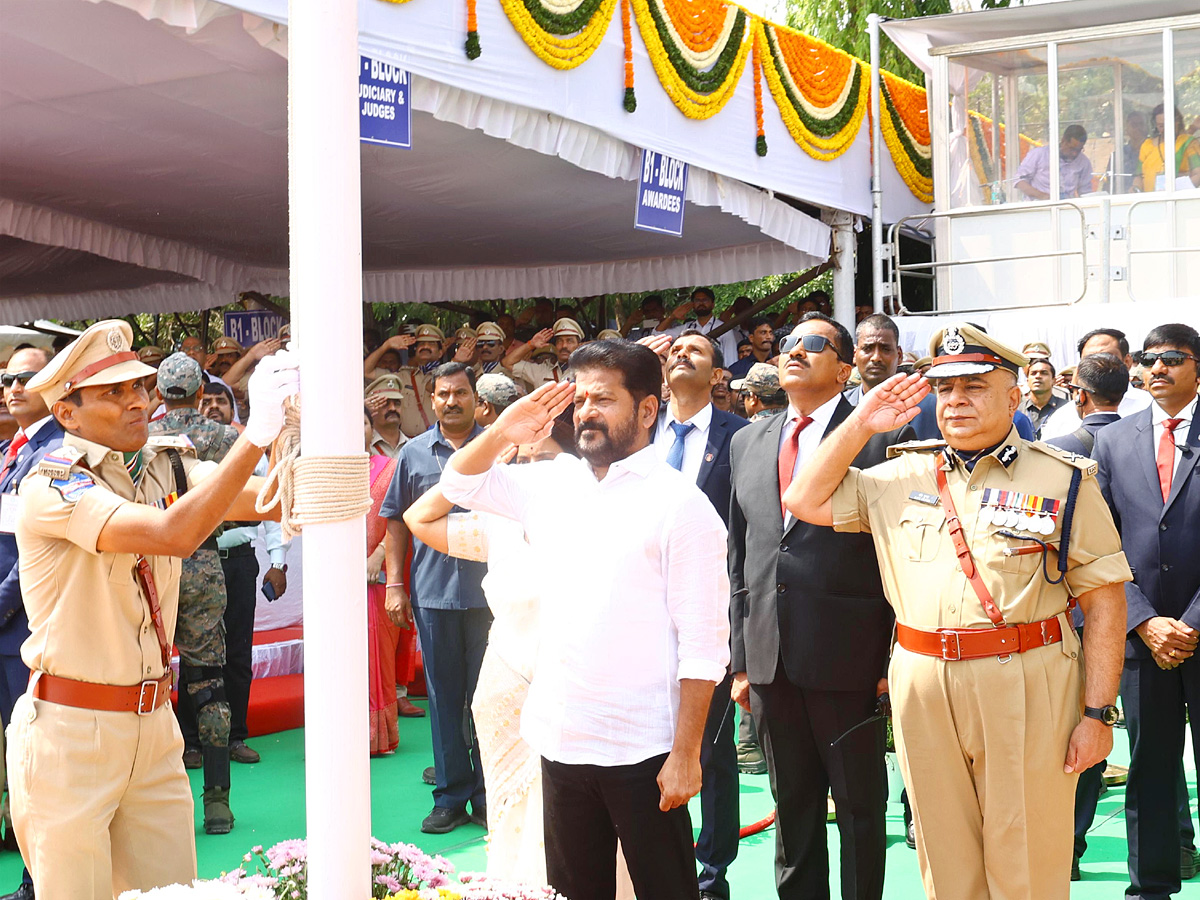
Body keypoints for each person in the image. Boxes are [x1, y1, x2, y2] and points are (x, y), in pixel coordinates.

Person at [786, 322, 1131, 899]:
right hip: (923, 685)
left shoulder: (1064, 478)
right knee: (943, 859)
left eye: (974, 386)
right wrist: (863, 422)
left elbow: (1104, 600)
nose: (957, 401)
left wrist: (1098, 714)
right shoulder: (897, 474)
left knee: (1026, 858)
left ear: (1014, 397)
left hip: (1026, 678)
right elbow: (802, 499)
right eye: (945, 390)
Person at [9, 320, 294, 900]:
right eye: (113, 392)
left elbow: (265, 498)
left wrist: (300, 432)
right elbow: (172, 532)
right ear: (67, 413)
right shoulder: (52, 482)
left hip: (155, 725)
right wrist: (256, 433)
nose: (137, 400)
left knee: (170, 893)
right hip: (72, 730)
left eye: (138, 386)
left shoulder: (168, 462)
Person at [440, 342, 730, 900]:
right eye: (580, 398)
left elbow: (703, 645)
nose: (586, 412)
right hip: (561, 740)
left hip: (644, 750)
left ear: (648, 411)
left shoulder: (681, 506)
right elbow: (460, 484)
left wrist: (686, 755)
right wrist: (504, 431)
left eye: (604, 399)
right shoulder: (554, 483)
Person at [728, 313, 908, 900]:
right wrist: (740, 656)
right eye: (787, 344)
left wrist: (891, 656)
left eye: (813, 344)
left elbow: (897, 551)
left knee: (859, 808)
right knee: (793, 807)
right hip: (770, 657)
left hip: (850, 655)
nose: (794, 352)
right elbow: (743, 553)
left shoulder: (882, 439)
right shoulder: (747, 438)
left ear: (846, 366)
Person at [1093, 323, 1200, 900]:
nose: (1158, 368)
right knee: (1150, 771)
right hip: (1141, 637)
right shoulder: (1114, 440)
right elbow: (1098, 543)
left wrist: (1190, 622)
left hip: (1196, 630)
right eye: (1150, 359)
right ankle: (1149, 889)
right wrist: (1142, 619)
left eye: (1173, 358)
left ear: (1198, 367)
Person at [655, 332, 747, 900]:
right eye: (672, 350)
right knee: (650, 739)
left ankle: (712, 868)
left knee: (709, 749)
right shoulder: (634, 436)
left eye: (696, 350)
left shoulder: (741, 439)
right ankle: (654, 852)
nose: (681, 355)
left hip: (712, 612)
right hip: (642, 615)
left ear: (718, 373)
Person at [381, 362, 491, 834]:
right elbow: (394, 523)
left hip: (494, 595)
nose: (452, 401)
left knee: (488, 700)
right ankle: (450, 796)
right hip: (434, 596)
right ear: (432, 398)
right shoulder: (413, 454)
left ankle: (489, 794)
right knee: (445, 700)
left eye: (460, 393)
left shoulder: (498, 448)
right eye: (443, 394)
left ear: (474, 397)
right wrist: (394, 585)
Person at [147, 353, 241, 834]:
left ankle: (152, 799)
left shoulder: (139, 437)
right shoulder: (223, 437)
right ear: (201, 391)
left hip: (148, 560)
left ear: (159, 391)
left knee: (143, 675)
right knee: (209, 680)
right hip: (203, 562)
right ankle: (217, 802)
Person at [0, 348, 61, 900]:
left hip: (22, 630)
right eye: (7, 379)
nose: (13, 386)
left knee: (34, 763)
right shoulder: (8, 450)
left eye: (26, 377)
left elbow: (32, 554)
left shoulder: (57, 451)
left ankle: (39, 882)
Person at [362, 408, 403, 756]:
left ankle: (377, 736)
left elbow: (399, 520)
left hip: (376, 575)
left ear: (370, 429)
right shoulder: (325, 472)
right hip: (333, 582)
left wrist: (377, 556)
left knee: (377, 655)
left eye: (361, 422)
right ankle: (338, 732)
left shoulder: (388, 468)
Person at [1040, 328, 1153, 440]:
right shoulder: (1062, 418)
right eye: (1090, 360)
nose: (1098, 365)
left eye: (1106, 357)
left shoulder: (1151, 406)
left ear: (1127, 361)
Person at [656, 288, 739, 364]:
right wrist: (672, 317)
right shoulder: (687, 328)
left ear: (713, 304)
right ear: (693, 305)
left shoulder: (723, 328)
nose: (701, 303)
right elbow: (657, 335)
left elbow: (731, 359)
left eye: (705, 300)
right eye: (697, 300)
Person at [1014, 124, 1093, 200]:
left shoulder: (1084, 162)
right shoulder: (1039, 154)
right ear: (1063, 141)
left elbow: (1085, 192)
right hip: (1037, 207)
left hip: (1068, 207)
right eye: (1071, 149)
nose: (1074, 153)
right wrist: (1043, 196)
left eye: (1078, 150)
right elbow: (1019, 181)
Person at [393, 325, 444, 439]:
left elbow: (430, 385)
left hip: (435, 442)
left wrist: (455, 361)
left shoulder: (448, 376)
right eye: (421, 344)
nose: (425, 346)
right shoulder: (404, 375)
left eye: (431, 344)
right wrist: (386, 345)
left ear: (440, 353)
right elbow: (366, 372)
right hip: (407, 443)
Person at [1135, 104, 1200, 191]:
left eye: (1168, 124)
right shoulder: (1147, 145)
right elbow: (1139, 176)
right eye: (1161, 126)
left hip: (1177, 200)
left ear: (1177, 122)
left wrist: (1175, 190)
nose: (1165, 129)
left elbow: (1198, 174)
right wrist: (1136, 188)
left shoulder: (1188, 143)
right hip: (1149, 202)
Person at [506, 319, 582, 390]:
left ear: (579, 345)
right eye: (560, 341)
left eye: (570, 341)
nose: (564, 346)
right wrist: (530, 344)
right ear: (555, 345)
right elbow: (508, 363)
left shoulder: (585, 370)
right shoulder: (541, 370)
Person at [1019, 358, 1068, 439]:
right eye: (1033, 373)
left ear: (1054, 380)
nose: (1038, 376)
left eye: (1044, 373)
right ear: (1027, 381)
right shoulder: (1019, 411)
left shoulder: (1066, 408)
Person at [365, 374, 408, 458]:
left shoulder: (412, 446)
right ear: (372, 409)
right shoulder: (363, 446)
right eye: (385, 404)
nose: (392, 408)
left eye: (397, 403)